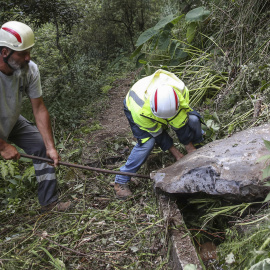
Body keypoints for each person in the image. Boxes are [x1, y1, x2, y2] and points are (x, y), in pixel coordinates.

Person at [0, 21, 71, 211]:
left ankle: (49, 202)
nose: (28, 57)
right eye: (22, 53)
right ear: (5, 52)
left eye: (29, 51)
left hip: (12, 120)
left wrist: (50, 147)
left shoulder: (29, 70)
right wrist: (2, 145)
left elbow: (38, 108)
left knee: (40, 147)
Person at [114, 69, 204, 200]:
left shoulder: (180, 91)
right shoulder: (140, 110)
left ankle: (198, 146)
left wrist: (191, 150)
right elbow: (158, 134)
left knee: (193, 120)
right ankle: (121, 181)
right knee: (147, 143)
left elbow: (180, 123)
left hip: (166, 106)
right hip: (133, 105)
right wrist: (177, 154)